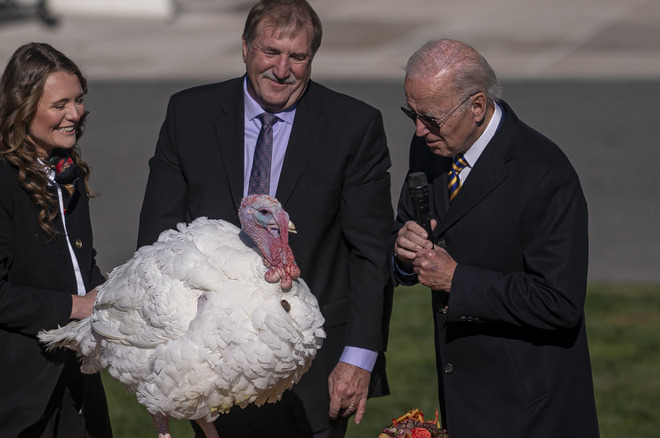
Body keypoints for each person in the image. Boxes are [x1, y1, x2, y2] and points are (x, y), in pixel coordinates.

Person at [136, 0, 394, 436]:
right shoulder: (189, 115)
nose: (282, 68)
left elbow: (371, 253)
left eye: (297, 57)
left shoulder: (354, 126)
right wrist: (162, 354)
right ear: (244, 48)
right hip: (210, 361)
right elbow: (156, 241)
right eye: (270, 52)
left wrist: (359, 357)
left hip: (312, 368)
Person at [391, 39, 599, 436]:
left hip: (530, 410)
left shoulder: (545, 175)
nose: (419, 131)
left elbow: (560, 302)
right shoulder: (431, 146)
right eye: (410, 113)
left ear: (477, 106)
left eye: (431, 118)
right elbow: (402, 229)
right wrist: (402, 251)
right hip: (461, 395)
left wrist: (458, 281)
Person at [0, 42, 112, 438]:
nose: (75, 114)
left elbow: (77, 265)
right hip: (11, 397)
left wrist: (118, 296)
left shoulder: (65, 172)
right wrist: (75, 306)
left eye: (78, 100)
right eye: (60, 104)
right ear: (23, 108)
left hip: (75, 387)